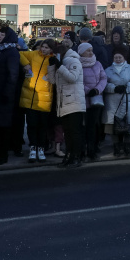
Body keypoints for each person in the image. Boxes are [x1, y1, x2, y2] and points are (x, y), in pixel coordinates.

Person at [17, 40, 55, 162]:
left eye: (47, 47)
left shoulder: (53, 59)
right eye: (43, 47)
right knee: (31, 125)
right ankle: (33, 148)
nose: (43, 49)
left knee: (42, 126)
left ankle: (41, 148)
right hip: (30, 96)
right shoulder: (33, 54)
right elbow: (20, 54)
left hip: (44, 98)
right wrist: (26, 64)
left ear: (51, 49)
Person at [0, 27, 20, 166]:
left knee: (3, 126)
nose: (0, 36)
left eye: (3, 34)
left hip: (5, 94)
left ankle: (2, 155)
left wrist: (8, 92)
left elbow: (13, 74)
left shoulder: (12, 51)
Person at [52, 39, 85, 167]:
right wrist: (52, 67)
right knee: (68, 132)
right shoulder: (62, 63)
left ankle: (76, 156)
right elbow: (52, 81)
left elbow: (73, 78)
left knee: (74, 131)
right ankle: (69, 155)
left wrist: (59, 66)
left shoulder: (73, 61)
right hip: (64, 102)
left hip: (74, 101)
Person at [104, 50, 130, 157]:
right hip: (113, 102)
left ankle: (127, 146)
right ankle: (116, 146)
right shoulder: (108, 70)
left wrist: (127, 87)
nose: (118, 59)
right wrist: (114, 88)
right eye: (116, 57)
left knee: (129, 126)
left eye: (120, 57)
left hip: (128, 100)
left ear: (124, 58)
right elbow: (104, 83)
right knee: (113, 126)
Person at [78, 43, 108, 159]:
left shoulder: (97, 63)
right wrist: (87, 91)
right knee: (83, 126)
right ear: (81, 52)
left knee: (93, 126)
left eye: (92, 50)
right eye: (88, 51)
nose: (91, 53)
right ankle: (81, 149)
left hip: (96, 99)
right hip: (83, 100)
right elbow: (78, 80)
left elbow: (103, 78)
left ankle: (92, 149)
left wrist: (97, 90)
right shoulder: (78, 64)